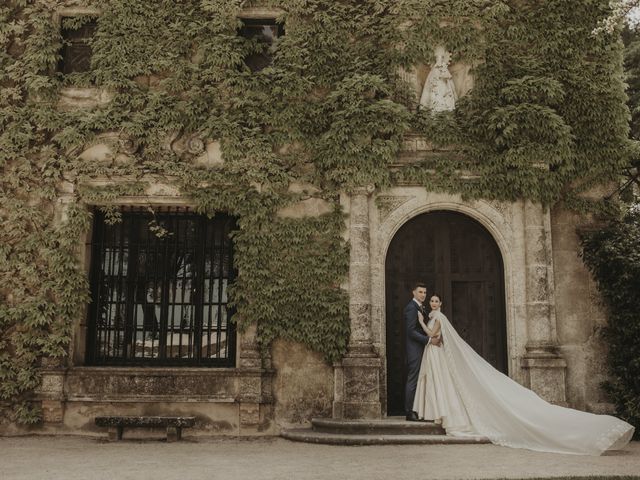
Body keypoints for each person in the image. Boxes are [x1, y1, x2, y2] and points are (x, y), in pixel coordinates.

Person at [412, 293, 635, 455]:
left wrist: (421, 323)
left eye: (435, 300)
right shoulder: (435, 315)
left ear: (441, 304)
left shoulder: (438, 318)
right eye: (430, 300)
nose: (432, 302)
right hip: (435, 353)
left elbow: (433, 334)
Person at [404, 283, 441, 421]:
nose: (423, 295)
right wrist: (429, 341)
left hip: (423, 349)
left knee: (420, 379)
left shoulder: (421, 308)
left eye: (425, 292)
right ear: (413, 292)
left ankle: (420, 409)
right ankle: (409, 412)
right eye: (420, 292)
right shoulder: (411, 308)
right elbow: (411, 331)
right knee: (413, 378)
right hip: (415, 349)